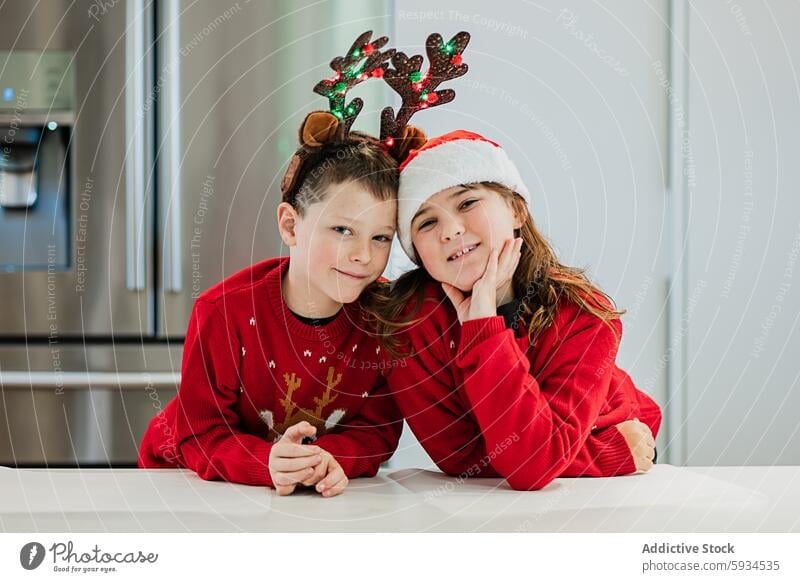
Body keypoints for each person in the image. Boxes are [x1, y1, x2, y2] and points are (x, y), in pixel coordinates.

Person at [139, 32, 404, 497]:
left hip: (298, 500)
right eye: (342, 230)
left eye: (380, 237)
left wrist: (328, 459)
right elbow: (200, 433)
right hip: (186, 487)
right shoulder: (223, 313)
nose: (363, 254)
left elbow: (377, 430)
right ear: (291, 225)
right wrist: (267, 462)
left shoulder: (383, 320)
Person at [379, 130, 662, 491]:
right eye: (426, 222)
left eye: (466, 203)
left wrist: (483, 326)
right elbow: (462, 457)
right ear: (418, 253)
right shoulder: (409, 323)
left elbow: (530, 466)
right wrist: (604, 454)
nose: (450, 230)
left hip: (614, 427)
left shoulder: (585, 316)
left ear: (515, 209)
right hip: (599, 446)